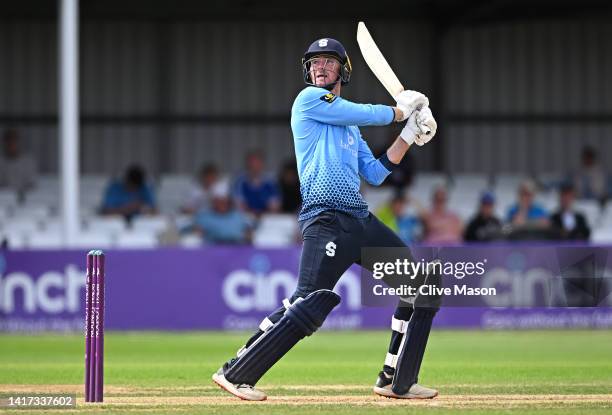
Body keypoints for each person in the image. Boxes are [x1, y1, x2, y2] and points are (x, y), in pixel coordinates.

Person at [212, 37, 439, 401]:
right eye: (315, 62)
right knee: (308, 303)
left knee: (420, 287)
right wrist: (400, 112)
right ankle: (235, 372)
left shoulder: (350, 128)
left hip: (360, 223)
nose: (320, 67)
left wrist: (409, 135)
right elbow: (363, 111)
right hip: (326, 219)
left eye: (328, 62)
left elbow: (376, 173)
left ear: (342, 71)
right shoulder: (309, 102)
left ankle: (396, 380)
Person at [194, 180, 252, 244]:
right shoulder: (204, 216)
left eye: (224, 201)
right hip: (212, 250)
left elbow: (248, 234)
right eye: (218, 201)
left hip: (236, 250)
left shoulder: (238, 216)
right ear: (213, 201)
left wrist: (248, 235)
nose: (221, 203)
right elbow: (197, 235)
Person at [234, 150, 280, 215]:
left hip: (266, 217)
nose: (254, 166)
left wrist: (261, 214)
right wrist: (253, 214)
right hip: (246, 217)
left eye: (257, 162)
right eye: (251, 163)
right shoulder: (240, 182)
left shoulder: (270, 182)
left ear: (262, 164)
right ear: (247, 164)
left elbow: (275, 205)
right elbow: (239, 204)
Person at [0, 129, 37, 194]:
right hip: (5, 197)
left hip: (25, 198)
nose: (11, 145)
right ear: (5, 143)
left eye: (14, 141)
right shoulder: (1, 162)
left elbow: (32, 184)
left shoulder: (28, 161)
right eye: (9, 142)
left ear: (18, 142)